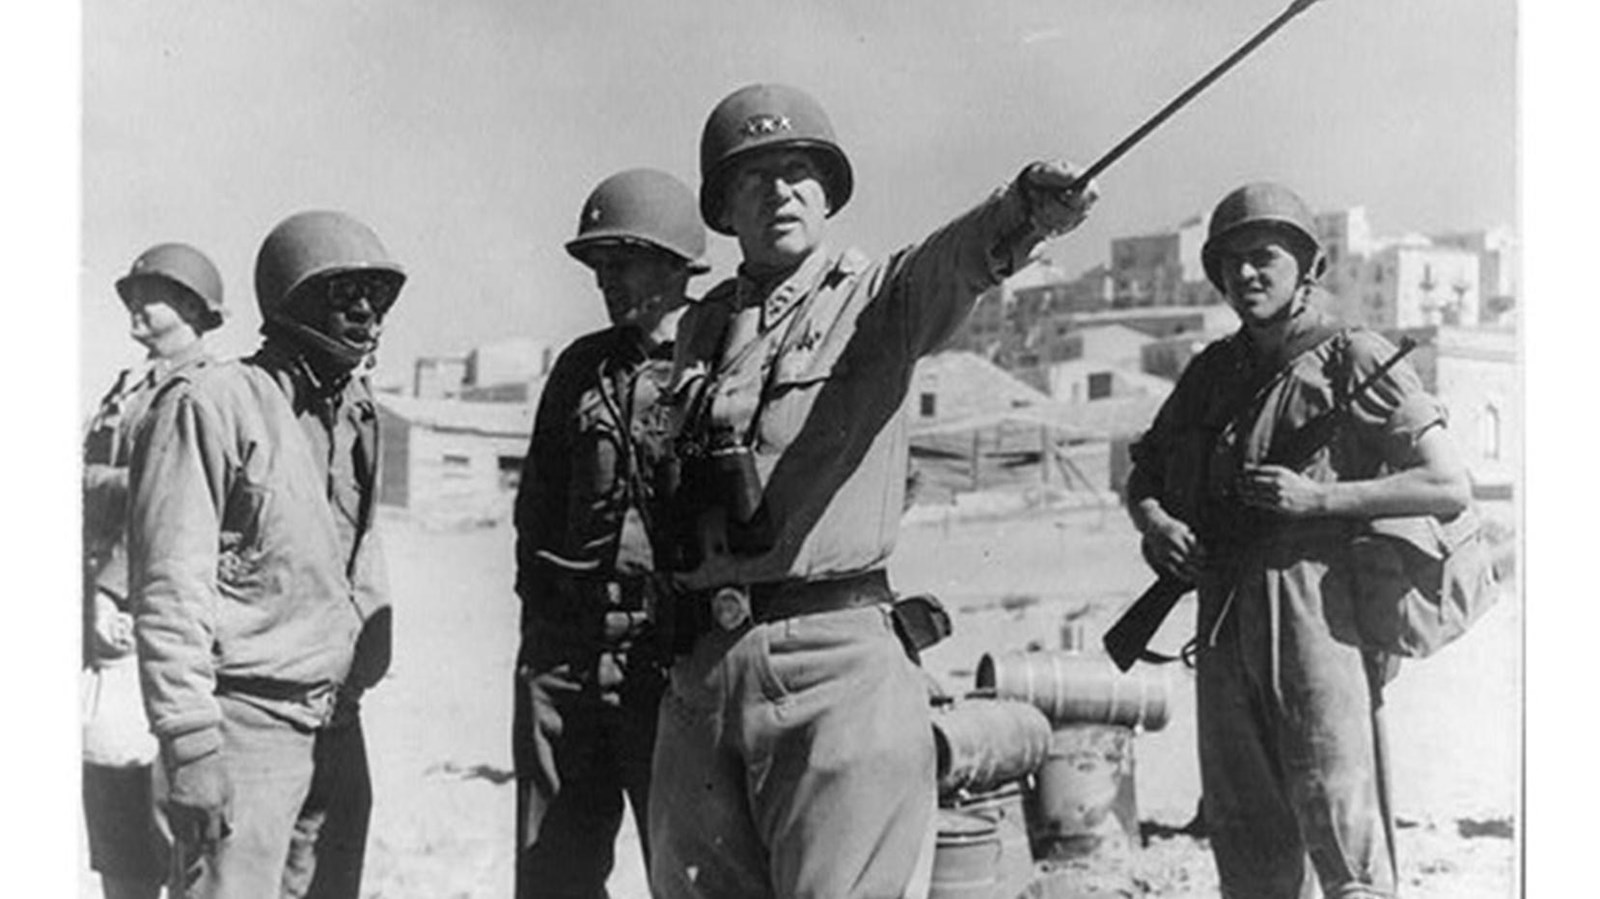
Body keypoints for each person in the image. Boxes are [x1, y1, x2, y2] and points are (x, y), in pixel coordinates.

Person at [647, 82, 1099, 899]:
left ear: (827, 192)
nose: (780, 190)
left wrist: (1025, 210)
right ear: (723, 204)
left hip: (835, 671)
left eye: (798, 170)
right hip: (703, 677)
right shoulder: (700, 330)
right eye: (754, 176)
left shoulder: (875, 302)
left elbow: (957, 260)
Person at [1124, 182, 1472, 898]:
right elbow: (1146, 477)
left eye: (1263, 257)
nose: (1245, 275)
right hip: (1222, 622)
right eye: (1230, 264)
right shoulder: (1209, 374)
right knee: (1247, 849)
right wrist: (1156, 525)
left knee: (1344, 834)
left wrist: (1321, 498)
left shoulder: (1353, 358)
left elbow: (1447, 484)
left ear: (1306, 267)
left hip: (1321, 616)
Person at [127, 210, 404, 899]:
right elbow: (169, 584)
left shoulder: (358, 415)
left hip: (338, 727)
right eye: (344, 294)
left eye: (375, 294)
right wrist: (191, 746)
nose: (366, 312)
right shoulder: (213, 403)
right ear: (292, 301)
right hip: (244, 733)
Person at [512, 168, 708, 898]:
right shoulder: (578, 369)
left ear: (672, 261)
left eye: (620, 263)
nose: (605, 281)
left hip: (670, 658)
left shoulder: (716, 357)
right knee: (553, 871)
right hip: (567, 652)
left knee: (687, 868)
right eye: (598, 267)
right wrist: (543, 645)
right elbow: (534, 512)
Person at [83, 242, 227, 899]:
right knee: (113, 800)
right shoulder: (131, 384)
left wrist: (114, 588)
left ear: (195, 307)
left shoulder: (199, 388)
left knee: (152, 794)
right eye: (133, 294)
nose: (137, 305)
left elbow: (166, 504)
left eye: (155, 293)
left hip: (149, 611)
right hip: (104, 608)